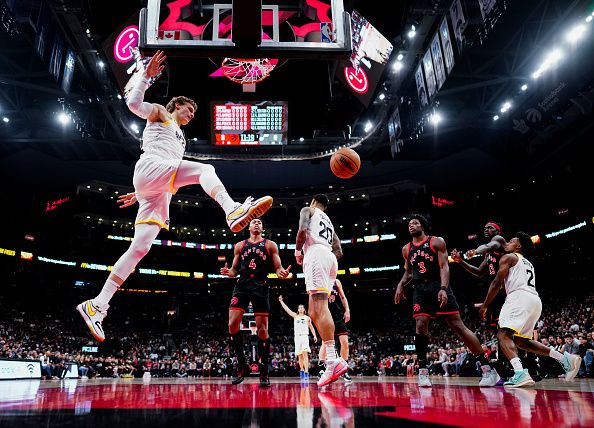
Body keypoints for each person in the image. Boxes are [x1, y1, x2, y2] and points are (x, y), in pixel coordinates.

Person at [76, 51, 273, 342]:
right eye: (188, 110)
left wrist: (140, 191)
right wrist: (146, 76)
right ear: (176, 105)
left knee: (140, 249)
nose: (191, 115)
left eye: (193, 113)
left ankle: (98, 305)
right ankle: (231, 209)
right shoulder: (161, 112)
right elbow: (132, 104)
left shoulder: (180, 138)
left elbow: (165, 164)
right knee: (205, 169)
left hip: (156, 186)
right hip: (152, 170)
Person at [394, 214, 498, 387]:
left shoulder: (436, 242)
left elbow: (444, 266)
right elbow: (409, 272)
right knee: (420, 323)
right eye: (409, 224)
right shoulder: (406, 249)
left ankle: (487, 368)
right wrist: (400, 285)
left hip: (437, 285)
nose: (411, 226)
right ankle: (423, 371)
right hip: (420, 289)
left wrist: (443, 288)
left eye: (415, 223)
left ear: (423, 226)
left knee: (458, 325)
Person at [479, 232, 582, 387]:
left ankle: (520, 373)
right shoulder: (528, 262)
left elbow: (496, 283)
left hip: (518, 298)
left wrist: (485, 305)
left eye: (511, 240)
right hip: (534, 300)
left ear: (518, 246)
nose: (507, 242)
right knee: (522, 341)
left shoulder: (508, 258)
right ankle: (565, 358)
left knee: (503, 335)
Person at [220, 218, 291, 387]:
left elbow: (277, 267)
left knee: (262, 330)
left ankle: (264, 370)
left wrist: (282, 272)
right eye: (254, 222)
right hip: (242, 284)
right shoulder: (239, 245)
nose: (257, 223)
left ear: (263, 227)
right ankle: (242, 364)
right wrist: (228, 272)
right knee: (232, 324)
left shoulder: (270, 245)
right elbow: (234, 270)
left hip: (260, 285)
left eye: (260, 222)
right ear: (249, 227)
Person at [295, 194, 347, 387]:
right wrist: (326, 259)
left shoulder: (308, 210)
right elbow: (339, 250)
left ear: (313, 201)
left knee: (320, 307)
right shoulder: (329, 222)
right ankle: (333, 360)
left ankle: (333, 360)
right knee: (313, 312)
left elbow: (302, 230)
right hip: (328, 257)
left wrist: (298, 251)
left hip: (316, 254)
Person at [319, 279, 352, 382]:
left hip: (337, 315)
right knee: (325, 343)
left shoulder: (336, 282)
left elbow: (343, 297)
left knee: (345, 342)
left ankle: (343, 369)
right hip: (325, 315)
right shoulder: (320, 280)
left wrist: (347, 310)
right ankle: (321, 369)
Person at [278, 296, 318, 379]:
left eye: (301, 307)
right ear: (298, 309)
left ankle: (306, 372)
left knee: (305, 354)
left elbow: (311, 327)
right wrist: (281, 301)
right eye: (299, 308)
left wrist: (314, 335)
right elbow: (287, 310)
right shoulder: (295, 316)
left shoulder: (307, 318)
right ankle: (302, 370)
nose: (300, 309)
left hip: (304, 337)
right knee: (300, 356)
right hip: (297, 337)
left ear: (304, 309)